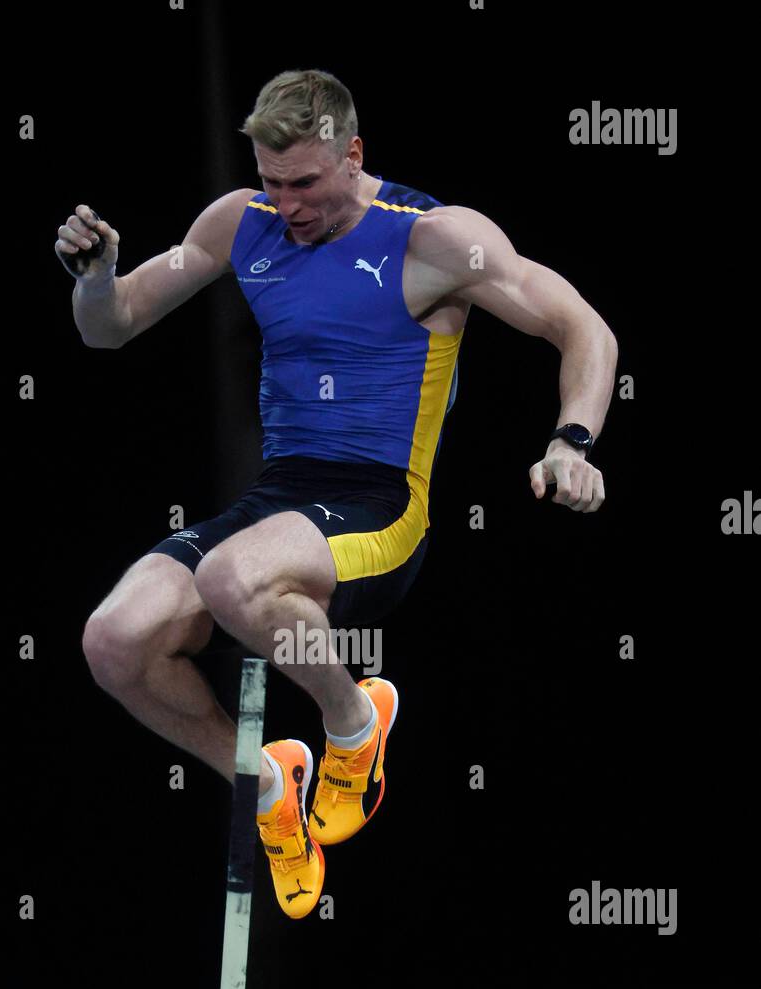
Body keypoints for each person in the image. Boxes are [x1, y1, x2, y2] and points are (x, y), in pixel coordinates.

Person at [58, 69, 617, 921]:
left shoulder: (433, 239)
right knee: (114, 640)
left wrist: (571, 440)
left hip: (382, 505)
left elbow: (582, 325)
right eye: (274, 183)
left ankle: (356, 729)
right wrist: (97, 278)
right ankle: (267, 781)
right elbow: (115, 325)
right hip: (280, 502)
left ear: (353, 156)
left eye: (307, 183)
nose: (289, 205)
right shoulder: (239, 222)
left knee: (231, 580)